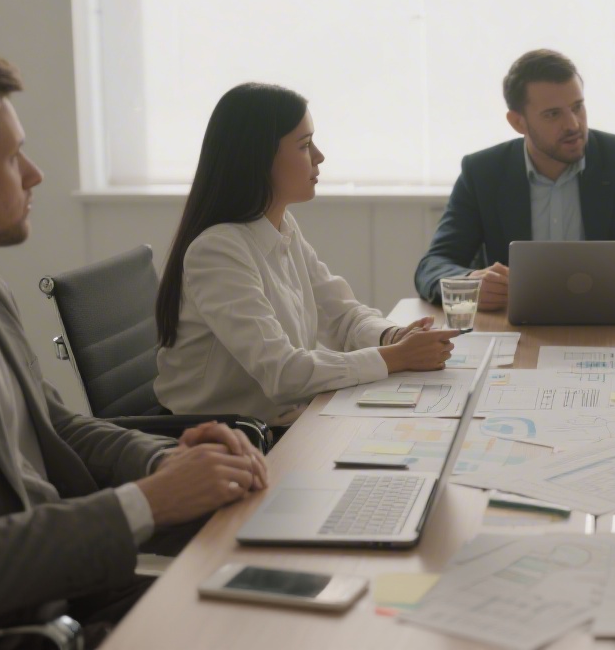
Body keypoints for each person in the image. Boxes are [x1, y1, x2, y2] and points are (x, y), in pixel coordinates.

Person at [0, 52, 267, 646]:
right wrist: (144, 503)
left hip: (75, 581)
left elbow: (58, 427)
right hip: (25, 622)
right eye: (11, 157)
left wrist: (164, 461)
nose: (34, 174)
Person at [155, 83, 459, 430]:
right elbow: (283, 374)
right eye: (304, 145)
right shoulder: (218, 251)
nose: (319, 156)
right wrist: (394, 357)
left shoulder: (282, 226)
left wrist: (393, 337)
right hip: (220, 440)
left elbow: (343, 316)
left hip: (280, 421)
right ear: (258, 157)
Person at [414, 49, 615, 314]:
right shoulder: (483, 171)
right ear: (518, 122)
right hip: (517, 329)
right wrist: (470, 282)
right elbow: (433, 265)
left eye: (577, 107)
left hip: (611, 326)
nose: (573, 124)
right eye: (552, 114)